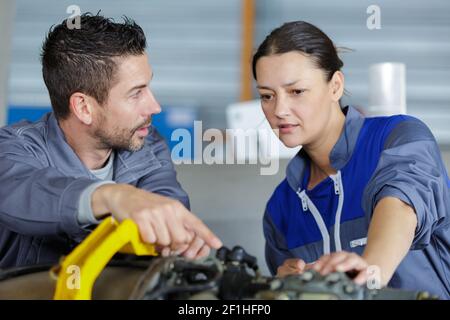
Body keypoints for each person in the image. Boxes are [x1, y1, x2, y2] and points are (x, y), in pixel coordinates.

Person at [0, 13, 222, 269]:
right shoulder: (11, 149)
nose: (155, 106)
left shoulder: (146, 143)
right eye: (136, 93)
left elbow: (164, 201)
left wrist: (173, 234)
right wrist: (112, 197)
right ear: (84, 107)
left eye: (148, 87)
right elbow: (27, 192)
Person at [254, 21, 450, 298]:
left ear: (335, 86)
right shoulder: (280, 208)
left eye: (296, 91)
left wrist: (370, 270)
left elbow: (402, 205)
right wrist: (286, 287)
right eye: (266, 96)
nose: (279, 110)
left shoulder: (399, 138)